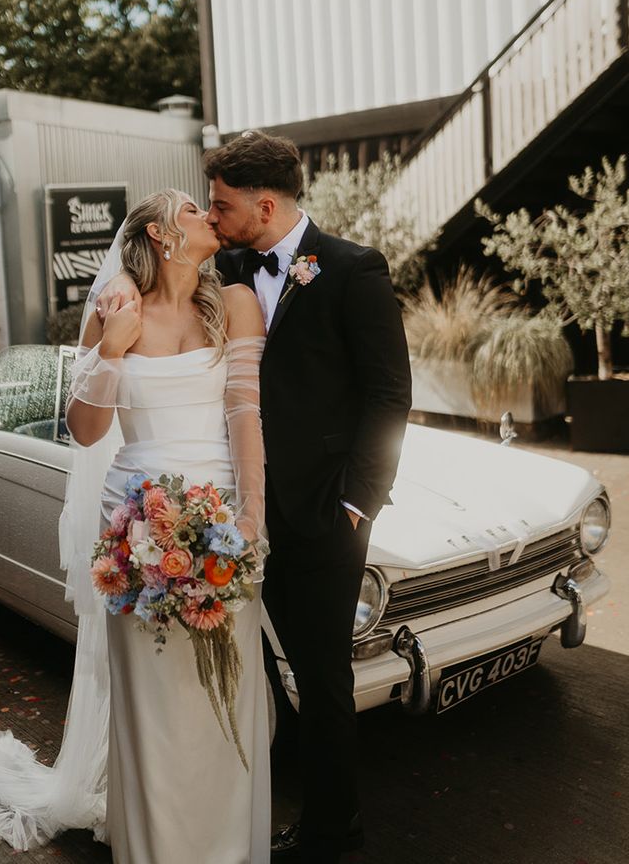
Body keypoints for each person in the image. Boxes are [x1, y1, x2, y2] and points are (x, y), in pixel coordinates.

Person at [98, 132, 412, 863]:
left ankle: (335, 833)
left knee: (322, 681)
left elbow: (388, 394)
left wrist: (357, 504)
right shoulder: (227, 265)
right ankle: (237, 818)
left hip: (319, 518)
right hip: (217, 515)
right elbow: (158, 284)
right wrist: (121, 289)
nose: (212, 215)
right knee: (246, 678)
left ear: (264, 204)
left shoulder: (350, 269)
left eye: (223, 204)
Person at [0, 188, 271, 864]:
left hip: (222, 523)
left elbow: (246, 415)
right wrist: (113, 350)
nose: (210, 216)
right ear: (159, 233)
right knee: (153, 698)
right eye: (193, 209)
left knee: (227, 689)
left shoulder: (236, 303)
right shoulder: (117, 311)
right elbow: (86, 430)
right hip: (135, 520)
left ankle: (228, 849)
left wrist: (252, 516)